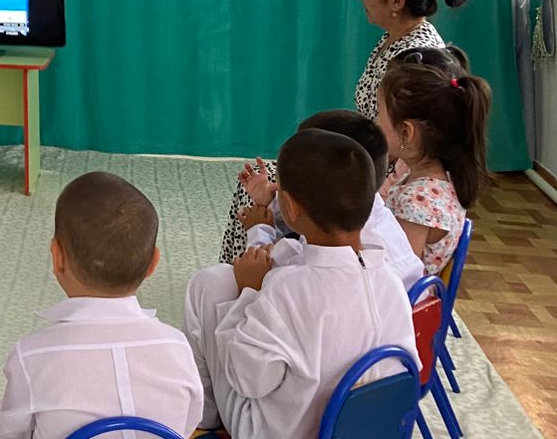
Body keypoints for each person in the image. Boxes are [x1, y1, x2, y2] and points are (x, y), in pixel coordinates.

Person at [218, 0, 466, 262]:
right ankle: (252, 265)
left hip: (370, 173)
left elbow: (393, 151)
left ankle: (252, 272)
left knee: (265, 188)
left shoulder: (414, 56)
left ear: (396, 0)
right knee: (263, 178)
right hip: (366, 162)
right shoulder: (396, 38)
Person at [184, 128, 416, 439]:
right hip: (372, 429)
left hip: (281, 432)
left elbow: (248, 380)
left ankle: (205, 418)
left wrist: (249, 292)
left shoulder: (288, 289)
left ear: (290, 207)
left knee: (208, 283)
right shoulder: (390, 282)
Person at [0, 172, 201, 439]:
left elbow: (6, 432)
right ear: (153, 263)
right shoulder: (177, 346)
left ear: (57, 257)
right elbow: (188, 424)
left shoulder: (32, 354)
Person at [236, 109, 424, 289]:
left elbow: (262, 272)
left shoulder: (329, 247)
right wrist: (271, 202)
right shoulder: (370, 211)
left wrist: (259, 230)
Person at [378, 49, 491, 277]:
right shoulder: (430, 180)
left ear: (407, 132)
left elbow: (400, 276)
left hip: (401, 297)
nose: (375, 122)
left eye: (380, 114)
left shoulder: (417, 202)